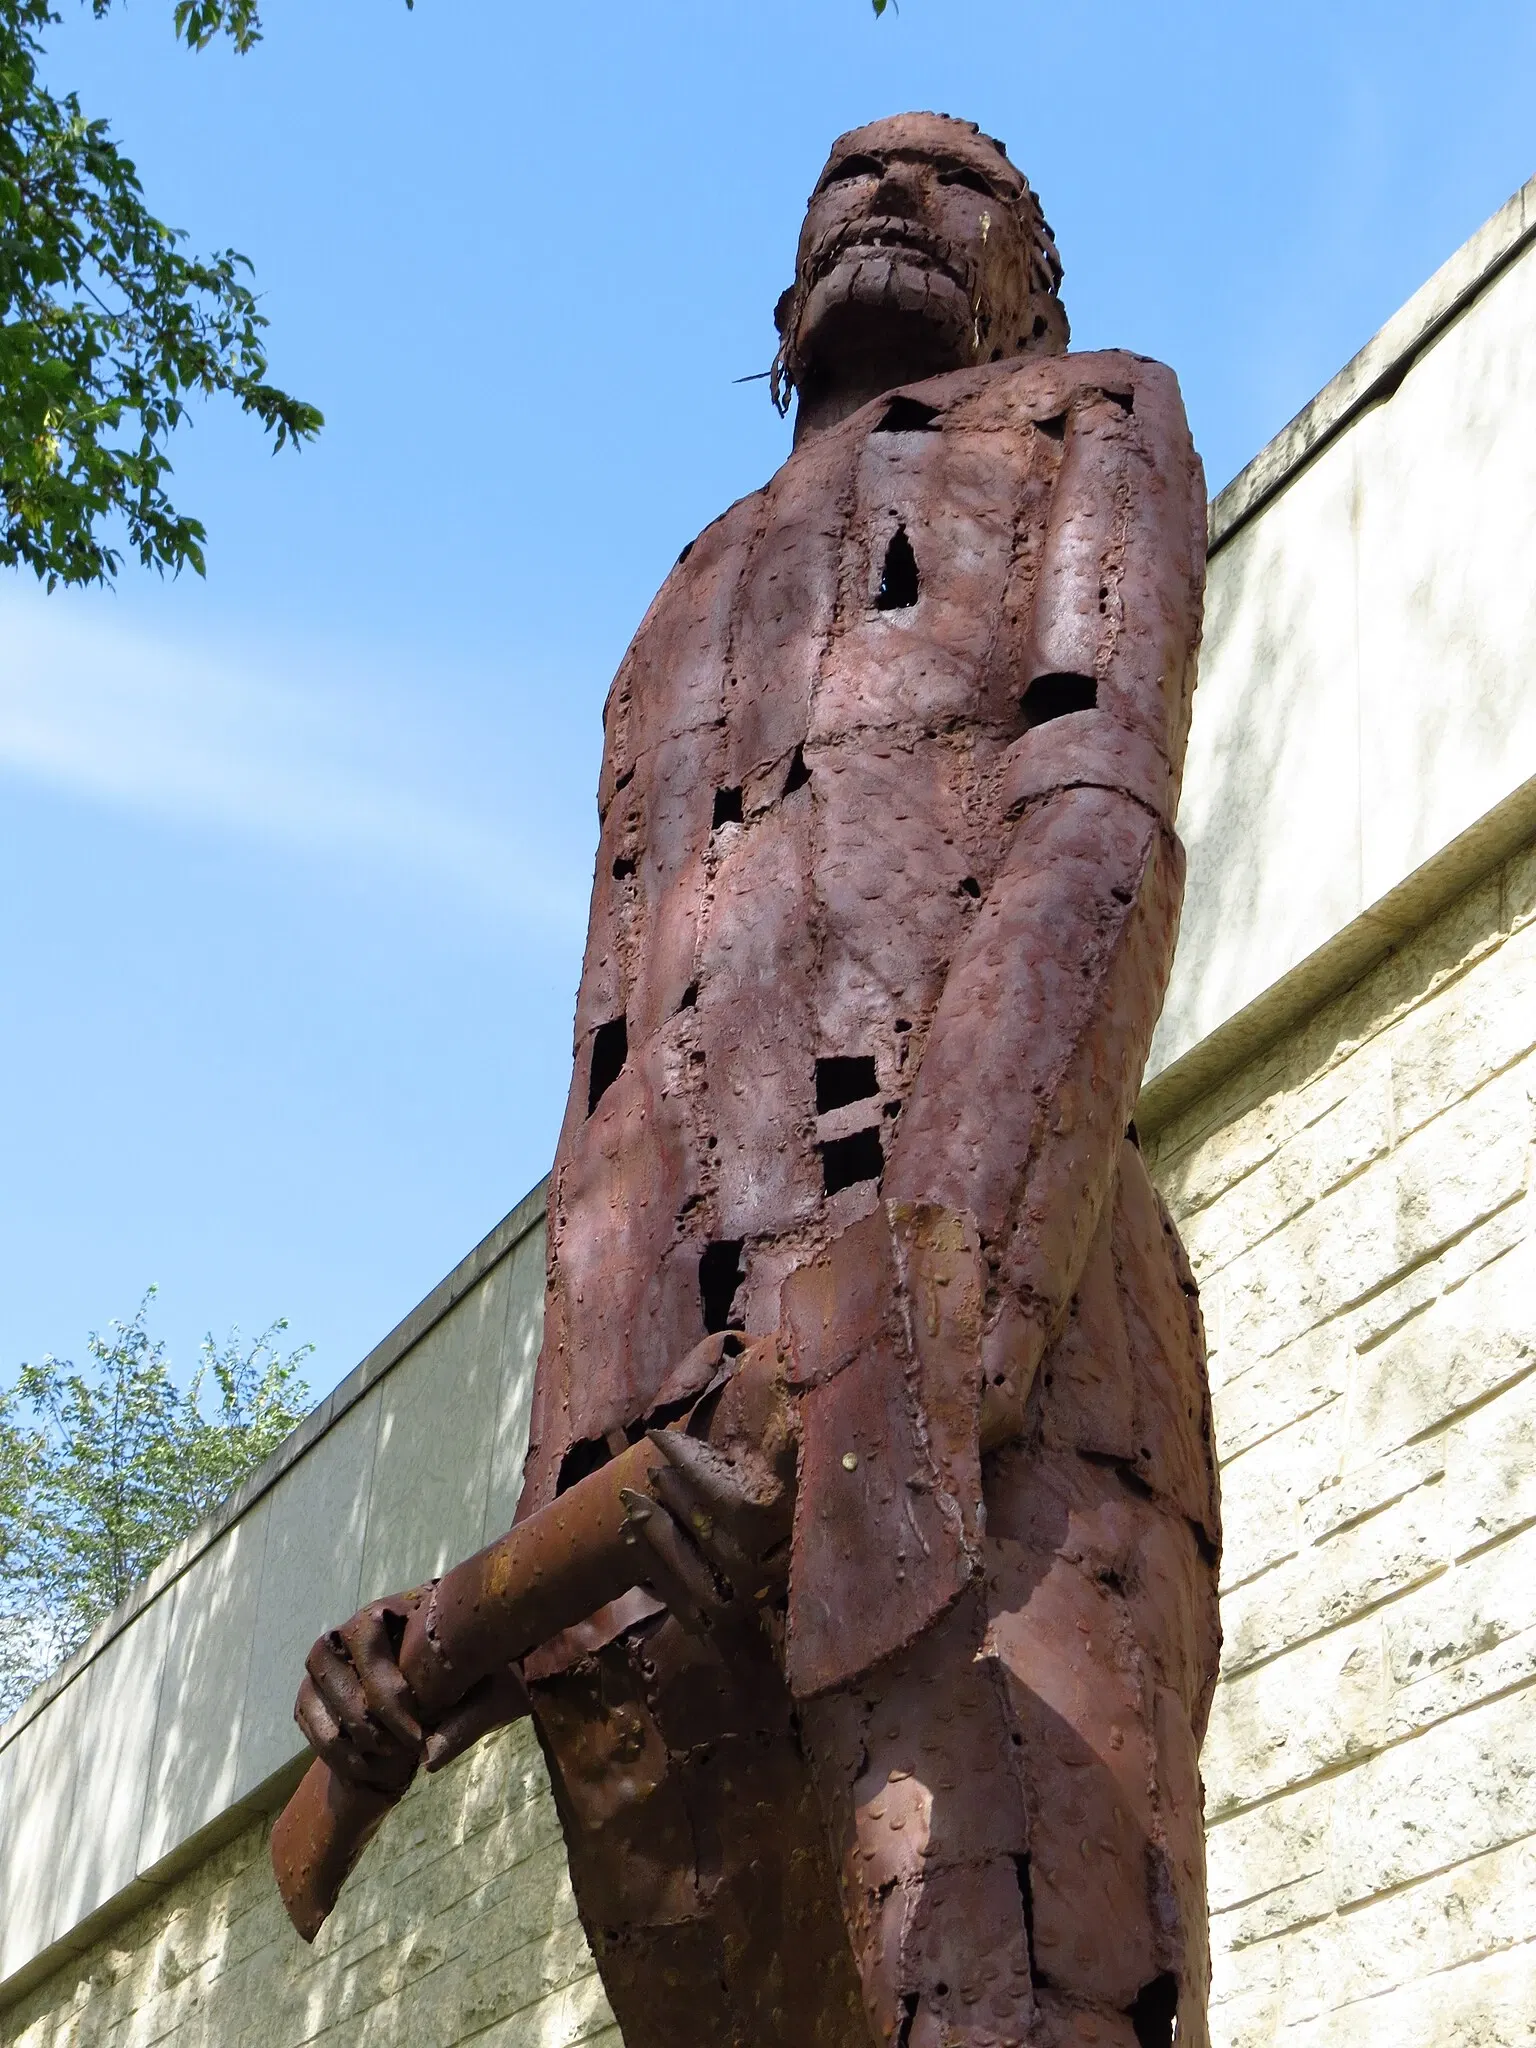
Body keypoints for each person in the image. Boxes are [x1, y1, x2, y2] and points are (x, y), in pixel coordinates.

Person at [295, 113, 1220, 2048]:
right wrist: (517, 1572)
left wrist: (902, 1346)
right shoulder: (670, 612)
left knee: (1008, 1987)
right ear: (774, 305)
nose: (885, 196)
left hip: (990, 1394)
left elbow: (1090, 835)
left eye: (954, 184)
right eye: (843, 188)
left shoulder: (1092, 426)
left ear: (1031, 286)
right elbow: (614, 1098)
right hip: (640, 1491)